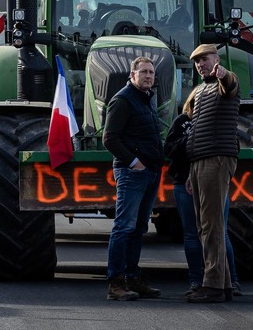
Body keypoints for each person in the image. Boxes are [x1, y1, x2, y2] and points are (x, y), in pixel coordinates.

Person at [164, 92, 243, 298]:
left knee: (220, 231)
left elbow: (233, 146)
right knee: (192, 233)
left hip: (213, 180)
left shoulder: (218, 124)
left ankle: (231, 280)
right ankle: (196, 281)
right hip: (184, 182)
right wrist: (190, 139)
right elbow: (169, 149)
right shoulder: (182, 122)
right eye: (196, 103)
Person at [102, 56, 165, 300]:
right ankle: (115, 284)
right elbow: (110, 138)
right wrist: (134, 162)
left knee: (139, 228)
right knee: (124, 227)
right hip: (132, 173)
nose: (149, 76)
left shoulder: (146, 99)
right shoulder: (123, 99)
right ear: (132, 75)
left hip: (149, 173)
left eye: (151, 72)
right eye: (144, 72)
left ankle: (133, 279)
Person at [185, 43, 240, 304]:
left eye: (204, 59)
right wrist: (191, 171)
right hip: (201, 161)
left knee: (212, 226)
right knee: (206, 225)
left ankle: (213, 286)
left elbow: (229, 83)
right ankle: (224, 285)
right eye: (197, 61)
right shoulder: (201, 89)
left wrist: (223, 75)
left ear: (216, 59)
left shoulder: (224, 81)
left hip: (216, 159)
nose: (200, 64)